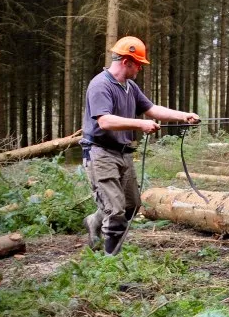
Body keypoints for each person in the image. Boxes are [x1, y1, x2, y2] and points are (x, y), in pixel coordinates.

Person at [81, 36, 199, 255]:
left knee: (131, 206)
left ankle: (93, 222)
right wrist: (140, 124)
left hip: (123, 153)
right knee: (115, 210)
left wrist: (185, 116)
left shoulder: (130, 87)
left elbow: (152, 110)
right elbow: (104, 121)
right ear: (126, 61)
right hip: (100, 153)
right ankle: (110, 264)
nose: (140, 69)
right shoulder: (100, 84)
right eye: (138, 64)